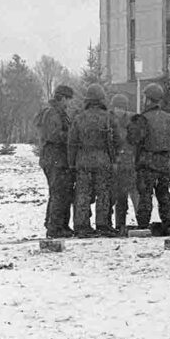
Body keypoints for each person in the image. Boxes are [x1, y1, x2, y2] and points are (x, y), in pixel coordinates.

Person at [67, 84, 120, 238]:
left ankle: (81, 226)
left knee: (82, 193)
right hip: (103, 160)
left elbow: (72, 143)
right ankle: (103, 224)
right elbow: (117, 141)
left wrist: (72, 163)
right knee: (103, 193)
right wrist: (115, 159)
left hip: (82, 160)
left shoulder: (78, 118)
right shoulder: (108, 117)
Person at [127, 83, 170, 231]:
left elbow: (134, 140)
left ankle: (143, 224)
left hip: (147, 163)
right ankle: (168, 223)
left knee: (145, 195)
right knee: (164, 194)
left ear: (148, 99)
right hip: (164, 163)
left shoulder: (142, 119)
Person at [35, 84, 75, 238]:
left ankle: (59, 225)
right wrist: (71, 137)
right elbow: (54, 135)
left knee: (61, 192)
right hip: (55, 159)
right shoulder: (53, 114)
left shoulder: (57, 113)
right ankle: (55, 227)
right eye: (68, 99)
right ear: (63, 98)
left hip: (56, 159)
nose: (69, 103)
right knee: (59, 192)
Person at [109, 93, 139, 235]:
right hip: (116, 165)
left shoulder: (133, 120)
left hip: (131, 164)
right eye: (116, 107)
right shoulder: (108, 121)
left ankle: (142, 222)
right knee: (119, 198)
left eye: (122, 108)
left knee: (136, 195)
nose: (119, 110)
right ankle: (119, 225)